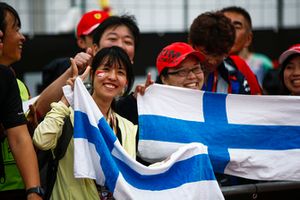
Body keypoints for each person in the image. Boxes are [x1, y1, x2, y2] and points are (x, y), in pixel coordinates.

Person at [33, 46, 137, 200]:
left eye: (120, 72)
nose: (112, 76)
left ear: (125, 84)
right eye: (106, 69)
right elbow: (41, 141)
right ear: (93, 74)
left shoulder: (128, 127)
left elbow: (130, 178)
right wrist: (65, 99)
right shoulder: (68, 115)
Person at [35, 15, 140, 122]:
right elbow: (38, 111)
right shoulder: (75, 76)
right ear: (95, 48)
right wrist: (72, 72)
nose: (120, 45)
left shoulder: (136, 96)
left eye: (127, 42)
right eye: (112, 39)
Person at [0, 2, 42, 200]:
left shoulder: (7, 78)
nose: (22, 37)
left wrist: (33, 191)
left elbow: (18, 137)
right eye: (15, 29)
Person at [188, 11, 262, 95]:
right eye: (206, 52)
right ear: (192, 44)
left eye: (218, 54)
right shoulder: (176, 69)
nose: (212, 61)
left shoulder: (236, 70)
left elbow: (256, 101)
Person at [39, 10, 110, 92]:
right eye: (95, 36)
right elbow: (44, 103)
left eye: (109, 35)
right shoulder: (63, 69)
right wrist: (72, 72)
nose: (102, 40)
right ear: (81, 42)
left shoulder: (125, 63)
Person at [221, 6, 274, 87]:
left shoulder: (263, 63)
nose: (229, 32)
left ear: (248, 39)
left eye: (236, 27)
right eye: (224, 26)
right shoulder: (207, 65)